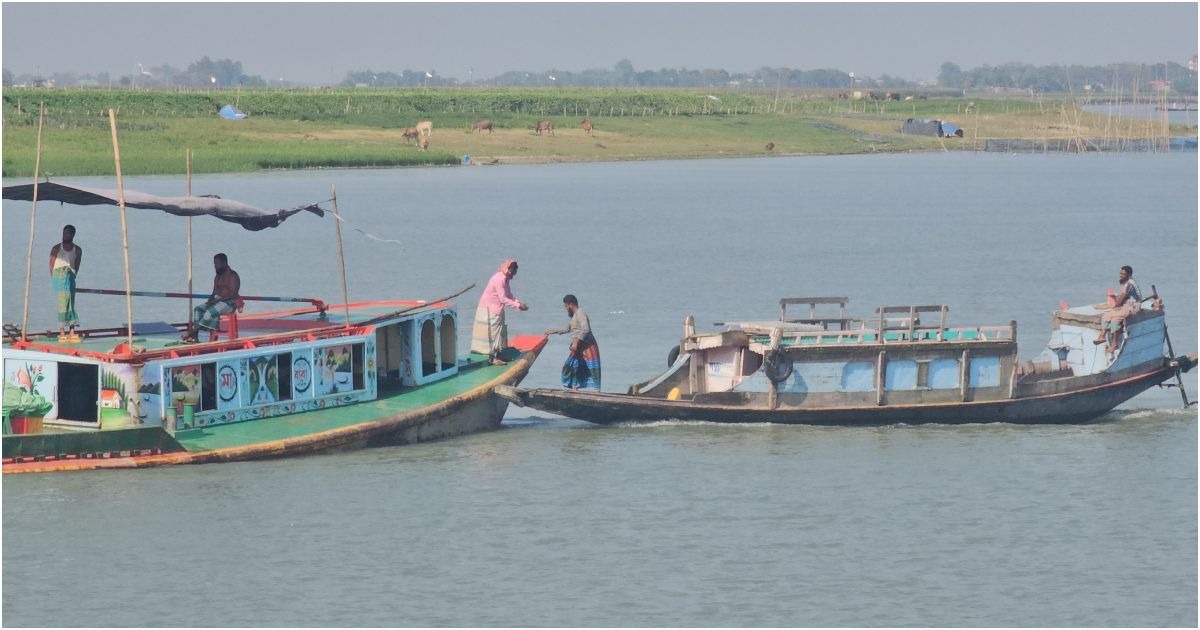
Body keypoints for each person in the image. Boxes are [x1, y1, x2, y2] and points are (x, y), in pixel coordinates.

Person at [471, 259, 528, 365]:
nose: (512, 274)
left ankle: (497, 355)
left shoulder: (505, 279)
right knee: (492, 335)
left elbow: (509, 295)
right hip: (489, 308)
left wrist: (519, 303)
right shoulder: (499, 279)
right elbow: (503, 299)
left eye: (514, 272)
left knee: (499, 334)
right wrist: (518, 305)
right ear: (507, 269)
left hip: (497, 309)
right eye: (511, 271)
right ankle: (492, 358)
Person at [545, 294, 601, 391]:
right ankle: (574, 388)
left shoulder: (580, 313)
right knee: (572, 366)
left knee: (592, 368)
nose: (566, 308)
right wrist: (554, 331)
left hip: (587, 345)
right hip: (578, 346)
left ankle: (597, 391)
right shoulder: (574, 315)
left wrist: (576, 342)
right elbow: (568, 329)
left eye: (566, 306)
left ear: (570, 304)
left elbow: (586, 329)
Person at [184, 253, 241, 342]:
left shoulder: (233, 275)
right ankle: (195, 338)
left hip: (229, 302)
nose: (215, 266)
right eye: (214, 264)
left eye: (217, 264)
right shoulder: (217, 277)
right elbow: (214, 292)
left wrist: (216, 301)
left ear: (224, 263)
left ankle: (193, 332)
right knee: (197, 309)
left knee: (209, 312)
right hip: (217, 300)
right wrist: (210, 300)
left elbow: (233, 294)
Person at [1095, 265, 1142, 353]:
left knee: (1110, 314)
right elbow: (1123, 298)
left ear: (1129, 274)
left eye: (1123, 274)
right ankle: (1107, 340)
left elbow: (1123, 297)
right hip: (1126, 305)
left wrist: (1115, 307)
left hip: (1134, 306)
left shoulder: (1129, 283)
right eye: (1120, 273)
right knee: (1112, 319)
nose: (1121, 275)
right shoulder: (1127, 282)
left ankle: (1107, 339)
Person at [49, 224, 83, 342]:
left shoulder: (77, 249)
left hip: (70, 277)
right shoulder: (56, 248)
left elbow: (77, 265)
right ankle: (62, 330)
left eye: (68, 233)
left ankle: (72, 330)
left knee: (71, 303)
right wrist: (55, 278)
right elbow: (51, 264)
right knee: (63, 304)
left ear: (73, 234)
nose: (65, 235)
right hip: (59, 277)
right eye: (64, 233)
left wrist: (72, 275)